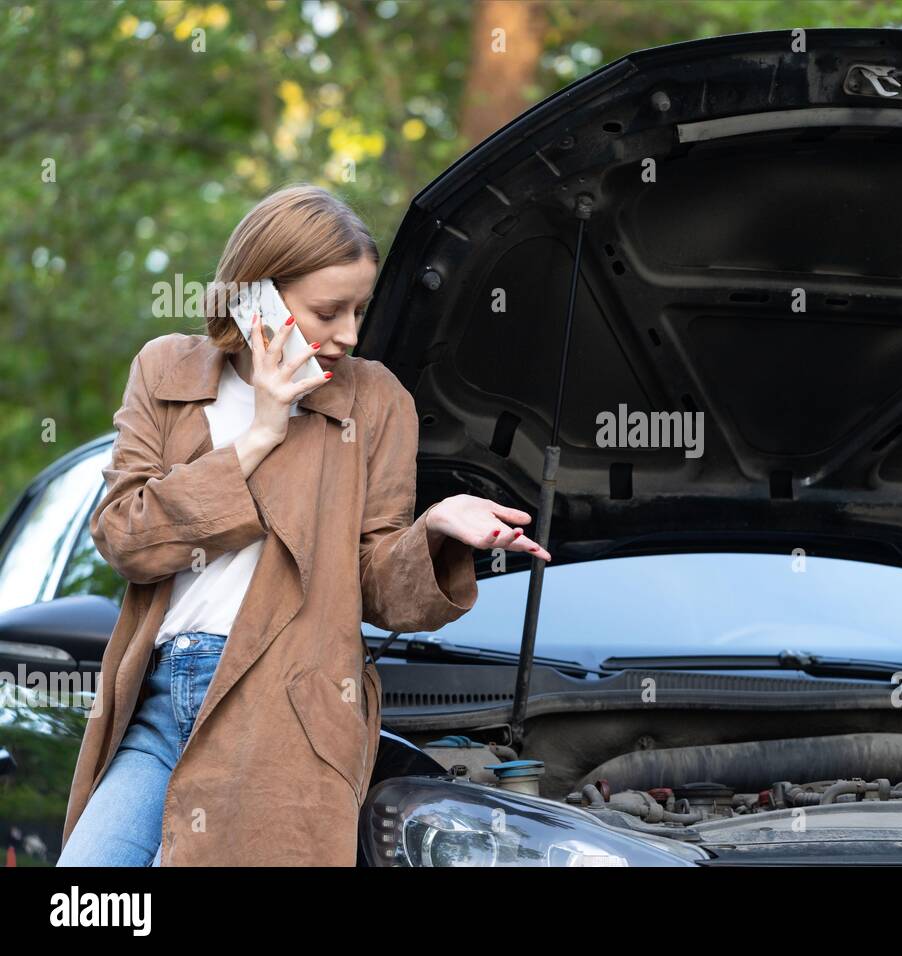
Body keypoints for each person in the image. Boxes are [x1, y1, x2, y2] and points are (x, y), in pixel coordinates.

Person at [58, 184, 548, 865]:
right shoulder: (164, 371)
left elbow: (377, 589)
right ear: (255, 294)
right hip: (155, 700)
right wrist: (260, 433)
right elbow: (126, 538)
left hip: (284, 715)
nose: (349, 333)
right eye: (328, 311)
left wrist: (433, 532)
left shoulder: (375, 401)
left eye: (358, 310)